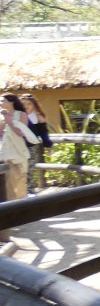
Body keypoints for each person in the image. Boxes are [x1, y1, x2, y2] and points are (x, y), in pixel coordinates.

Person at [0, 93, 39, 242]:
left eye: (2, 100)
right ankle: (10, 215)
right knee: (8, 183)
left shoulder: (21, 115)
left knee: (20, 180)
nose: (1, 103)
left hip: (19, 151)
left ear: (11, 102)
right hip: (6, 153)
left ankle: (21, 212)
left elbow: (20, 133)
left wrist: (9, 121)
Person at [21, 95, 50, 194]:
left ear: (34, 105)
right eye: (23, 104)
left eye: (29, 104)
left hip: (31, 146)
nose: (26, 106)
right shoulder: (17, 116)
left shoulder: (37, 117)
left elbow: (44, 133)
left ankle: (29, 190)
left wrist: (47, 145)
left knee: (29, 168)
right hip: (18, 146)